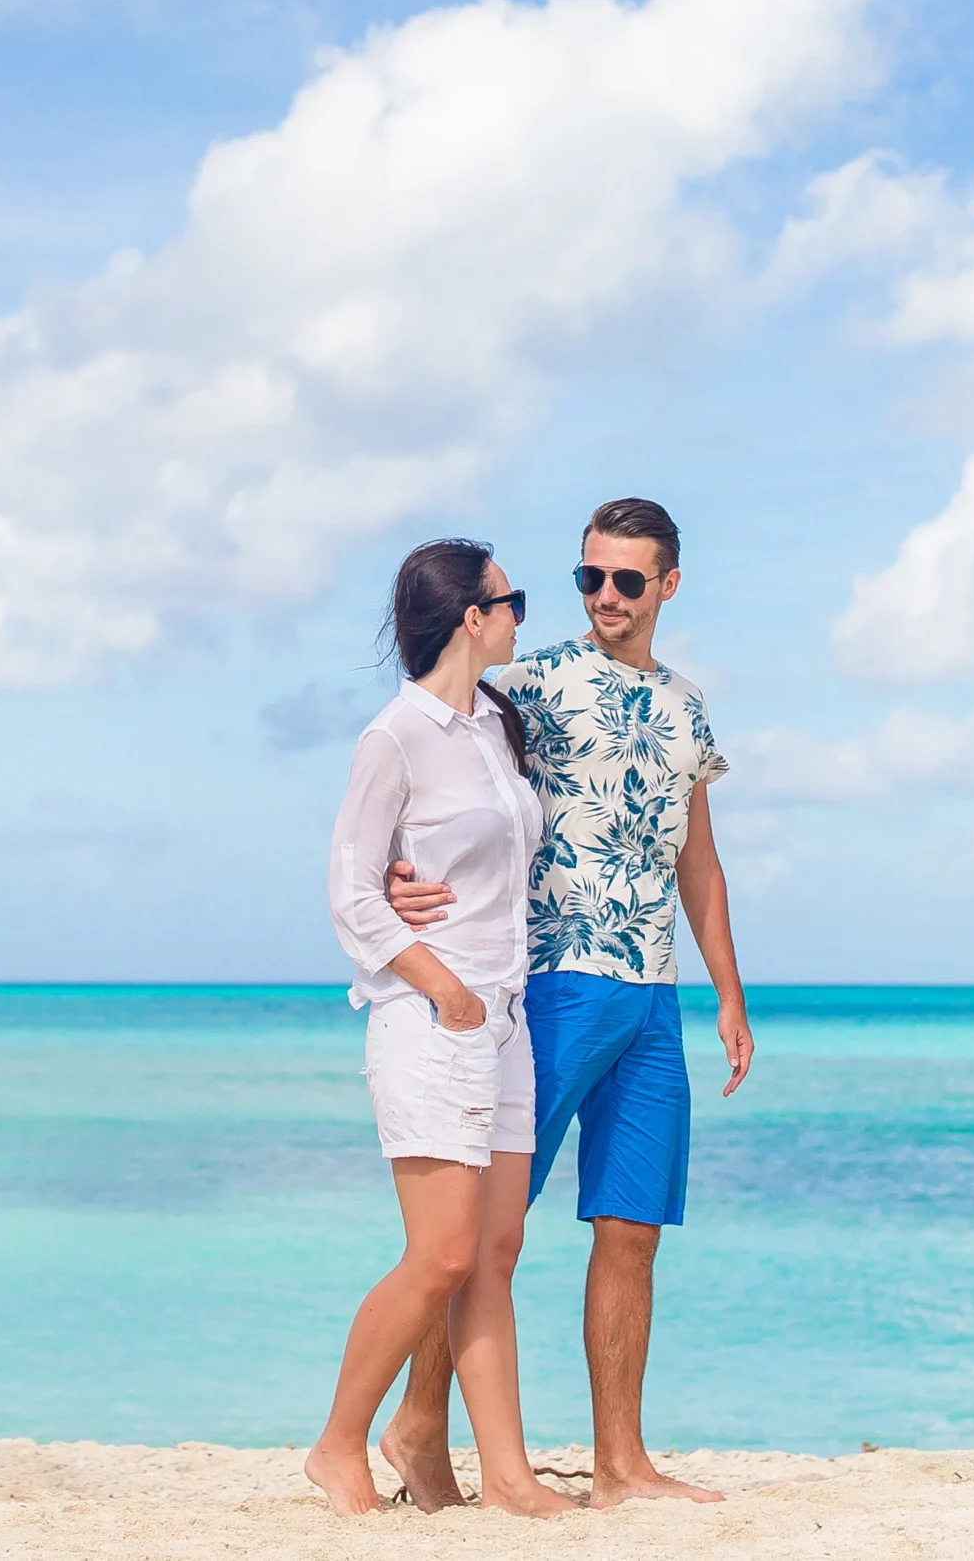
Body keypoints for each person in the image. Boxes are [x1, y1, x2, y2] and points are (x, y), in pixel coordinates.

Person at [377, 497, 754, 1512]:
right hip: (548, 983)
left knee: (632, 1228)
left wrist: (729, 991)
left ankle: (621, 1464)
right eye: (590, 577)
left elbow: (700, 862)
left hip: (651, 997)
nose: (604, 598)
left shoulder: (686, 709)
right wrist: (393, 875)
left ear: (667, 585)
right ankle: (417, 1425)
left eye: (627, 581)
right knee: (482, 1234)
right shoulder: (530, 684)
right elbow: (428, 759)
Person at [304, 539, 574, 1520]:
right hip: (430, 1020)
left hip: (505, 1024)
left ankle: (508, 1478)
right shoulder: (396, 736)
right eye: (513, 601)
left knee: (494, 1255)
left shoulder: (497, 726)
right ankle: (338, 1445)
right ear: (472, 614)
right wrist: (441, 985)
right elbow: (349, 889)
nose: (520, 618)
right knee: (443, 1257)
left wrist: (484, 1000)